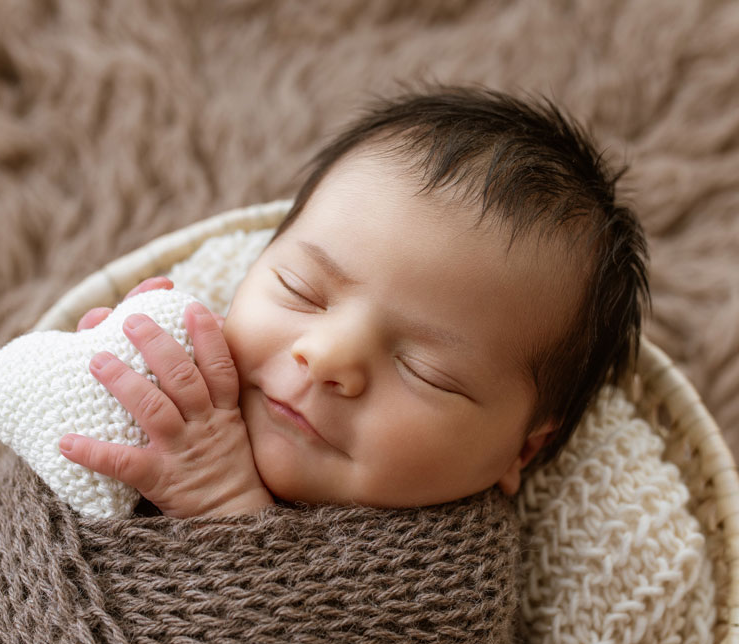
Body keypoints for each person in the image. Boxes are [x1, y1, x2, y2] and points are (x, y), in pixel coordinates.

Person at [58, 85, 649, 518]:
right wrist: (99, 385)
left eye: (426, 371)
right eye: (301, 290)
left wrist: (222, 510)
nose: (327, 355)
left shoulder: (445, 580)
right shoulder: (195, 389)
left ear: (521, 449)